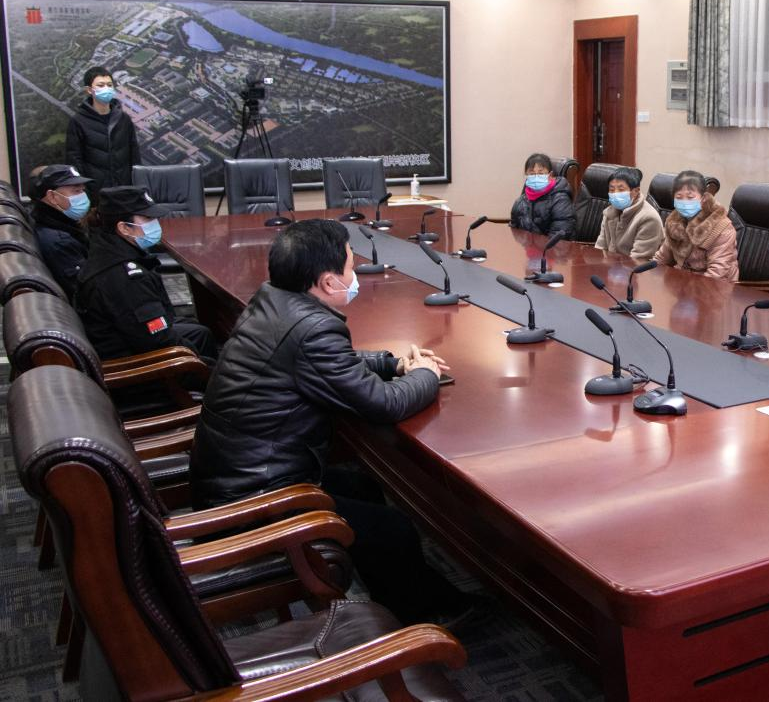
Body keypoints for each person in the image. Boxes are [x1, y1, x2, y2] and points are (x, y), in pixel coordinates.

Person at [189, 218, 468, 623]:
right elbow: (383, 405)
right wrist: (426, 373)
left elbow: (329, 365)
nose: (355, 277)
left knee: (362, 485)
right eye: (351, 268)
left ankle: (393, 593)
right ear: (327, 281)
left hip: (236, 475)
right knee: (392, 528)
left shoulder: (274, 301)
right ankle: (424, 617)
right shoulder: (313, 328)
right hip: (252, 500)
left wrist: (392, 364)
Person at [76, 186, 218, 362]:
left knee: (200, 333)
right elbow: (158, 340)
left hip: (130, 342)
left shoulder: (106, 250)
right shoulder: (126, 277)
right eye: (148, 219)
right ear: (124, 228)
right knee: (213, 365)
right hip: (135, 366)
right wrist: (201, 361)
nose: (155, 223)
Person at [65, 66, 140, 195]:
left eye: (109, 85)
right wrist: (85, 190)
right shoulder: (78, 121)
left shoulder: (124, 119)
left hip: (125, 189)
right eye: (101, 85)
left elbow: (134, 153)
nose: (106, 88)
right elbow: (74, 159)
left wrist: (136, 185)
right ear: (89, 90)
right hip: (96, 192)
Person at [652, 170, 738, 281]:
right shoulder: (675, 222)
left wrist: (688, 289)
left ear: (703, 198)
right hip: (682, 282)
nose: (684, 202)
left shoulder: (721, 227)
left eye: (690, 197)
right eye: (679, 197)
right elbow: (662, 258)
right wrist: (648, 274)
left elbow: (717, 273)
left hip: (714, 285)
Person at [27, 164, 92, 298]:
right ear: (52, 196)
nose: (83, 196)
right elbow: (85, 292)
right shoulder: (60, 242)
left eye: (83, 190)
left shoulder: (54, 222)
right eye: (76, 191)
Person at [593, 166, 663, 263]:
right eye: (612, 190)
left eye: (621, 189)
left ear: (636, 191)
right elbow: (600, 249)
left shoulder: (649, 218)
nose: (615, 193)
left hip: (635, 269)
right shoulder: (609, 212)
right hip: (611, 267)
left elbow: (639, 260)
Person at [509, 153, 575, 238]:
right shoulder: (520, 201)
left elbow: (560, 235)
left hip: (551, 246)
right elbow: (514, 231)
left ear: (550, 175)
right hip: (527, 245)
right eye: (532, 174)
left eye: (541, 173)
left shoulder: (560, 199)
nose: (536, 177)